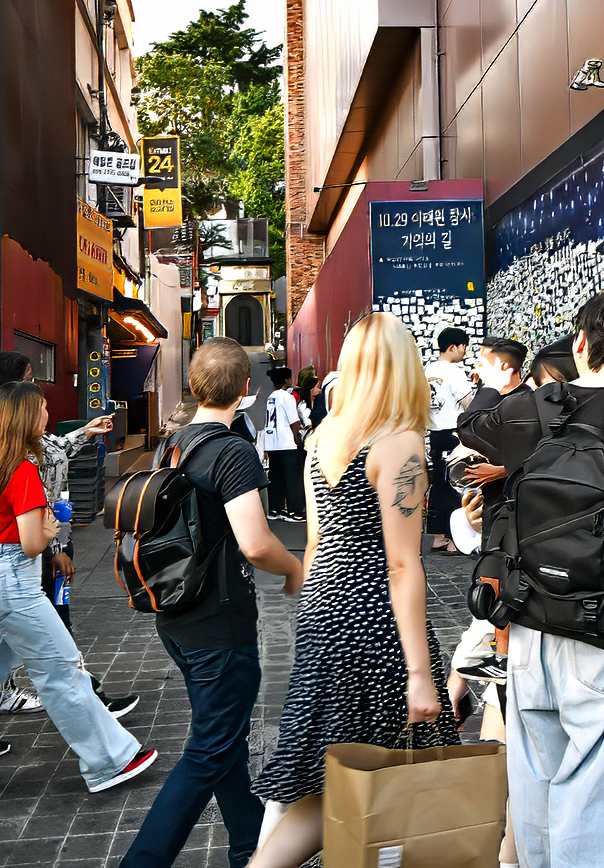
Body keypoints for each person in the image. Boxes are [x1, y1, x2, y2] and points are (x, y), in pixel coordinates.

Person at [458, 292, 604, 867]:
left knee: (535, 782)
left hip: (528, 623)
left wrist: (494, 381)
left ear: (581, 343)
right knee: (599, 793)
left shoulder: (533, 410)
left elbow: (470, 427)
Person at [250, 313, 459, 867]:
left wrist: (312, 623)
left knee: (332, 776)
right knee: (374, 771)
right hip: (375, 620)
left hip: (324, 608)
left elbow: (316, 541)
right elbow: (402, 565)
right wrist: (420, 672)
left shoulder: (323, 436)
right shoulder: (400, 443)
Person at [0, 382, 155, 802]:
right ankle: (110, 760)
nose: (46, 415)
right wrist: (51, 524)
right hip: (15, 583)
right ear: (25, 418)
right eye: (41, 408)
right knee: (62, 669)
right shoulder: (23, 469)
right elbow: (32, 543)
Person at [122, 337, 305, 868]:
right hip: (219, 625)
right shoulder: (232, 451)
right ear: (247, 389)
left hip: (177, 615)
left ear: (194, 386)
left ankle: (249, 849)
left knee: (223, 740)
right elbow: (256, 542)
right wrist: (295, 569)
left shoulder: (173, 444)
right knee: (208, 751)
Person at [425, 327, 476, 553]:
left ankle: (438, 537)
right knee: (456, 485)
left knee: (438, 484)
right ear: (453, 347)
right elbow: (468, 404)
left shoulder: (427, 370)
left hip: (435, 434)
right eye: (464, 347)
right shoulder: (454, 372)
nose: (464, 352)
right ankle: (455, 539)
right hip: (454, 435)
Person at [263, 367, 306, 522]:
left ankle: (275, 509)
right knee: (293, 478)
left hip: (272, 443)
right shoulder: (287, 397)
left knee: (276, 477)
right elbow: (294, 422)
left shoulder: (271, 397)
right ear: (287, 380)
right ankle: (295, 512)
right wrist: (297, 439)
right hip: (287, 443)